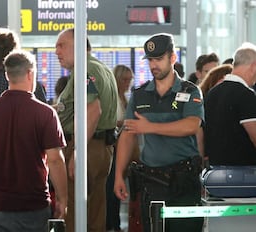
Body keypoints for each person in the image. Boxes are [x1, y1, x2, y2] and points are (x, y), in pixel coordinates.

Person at [0, 49, 68, 232]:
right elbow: (55, 160)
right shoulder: (45, 113)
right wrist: (63, 199)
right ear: (30, 74)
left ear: (7, 76)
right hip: (33, 205)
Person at [114, 33, 204, 232]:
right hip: (153, 182)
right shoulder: (140, 94)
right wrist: (119, 174)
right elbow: (128, 135)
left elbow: (191, 125)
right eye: (151, 60)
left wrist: (150, 127)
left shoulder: (190, 91)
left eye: (159, 59)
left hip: (184, 181)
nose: (154, 65)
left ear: (172, 58)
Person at [55, 28, 119, 232]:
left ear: (79, 45)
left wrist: (77, 151)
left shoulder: (85, 70)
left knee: (74, 213)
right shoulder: (101, 68)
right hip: (101, 146)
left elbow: (93, 109)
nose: (57, 51)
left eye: (61, 45)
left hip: (87, 146)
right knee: (95, 214)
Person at [204, 42, 256, 165]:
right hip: (242, 174)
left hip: (215, 171)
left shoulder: (212, 93)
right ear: (254, 66)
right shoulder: (245, 95)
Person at [106, 65, 137, 232]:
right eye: (124, 79)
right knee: (111, 188)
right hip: (113, 147)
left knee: (117, 190)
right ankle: (112, 223)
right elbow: (110, 121)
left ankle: (115, 223)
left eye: (129, 80)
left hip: (122, 148)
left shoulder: (125, 98)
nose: (127, 83)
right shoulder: (112, 98)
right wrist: (125, 123)